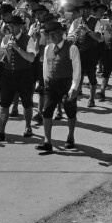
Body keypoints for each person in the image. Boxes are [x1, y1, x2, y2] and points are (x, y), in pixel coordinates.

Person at [0, 15, 36, 141]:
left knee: (27, 103)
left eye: (14, 26)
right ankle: (1, 131)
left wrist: (17, 48)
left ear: (20, 26)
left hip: (24, 74)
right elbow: (1, 57)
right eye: (10, 26)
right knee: (4, 104)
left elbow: (31, 58)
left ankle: (28, 126)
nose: (11, 28)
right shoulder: (6, 38)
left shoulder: (28, 39)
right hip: (8, 74)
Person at [36, 21, 81, 152]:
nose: (48, 37)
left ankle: (71, 136)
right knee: (47, 112)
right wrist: (45, 83)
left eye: (49, 35)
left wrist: (73, 88)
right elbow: (45, 66)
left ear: (57, 34)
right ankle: (47, 141)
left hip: (66, 84)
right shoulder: (48, 48)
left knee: (70, 112)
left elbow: (77, 70)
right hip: (51, 85)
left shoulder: (72, 48)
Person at [69, 1, 103, 107]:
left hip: (91, 52)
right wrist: (75, 33)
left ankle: (91, 98)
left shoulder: (96, 22)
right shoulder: (75, 22)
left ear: (89, 10)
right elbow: (69, 38)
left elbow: (98, 38)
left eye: (85, 9)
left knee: (91, 75)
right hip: (78, 52)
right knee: (77, 75)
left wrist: (87, 30)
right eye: (81, 10)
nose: (83, 11)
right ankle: (74, 97)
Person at [28, 5, 51, 124]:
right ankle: (30, 105)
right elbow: (29, 41)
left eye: (41, 13)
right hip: (34, 57)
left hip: (46, 59)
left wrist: (45, 36)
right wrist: (34, 36)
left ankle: (41, 112)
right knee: (31, 82)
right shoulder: (33, 26)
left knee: (43, 86)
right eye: (37, 14)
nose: (39, 16)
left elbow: (53, 42)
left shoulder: (51, 25)